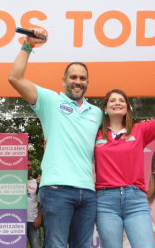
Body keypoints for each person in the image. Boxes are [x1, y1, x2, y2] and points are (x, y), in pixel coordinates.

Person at [8, 28, 102, 248]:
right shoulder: (50, 101)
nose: (78, 81)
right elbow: (15, 77)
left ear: (87, 82)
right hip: (57, 189)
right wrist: (28, 44)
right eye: (73, 77)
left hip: (88, 192)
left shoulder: (97, 113)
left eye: (82, 78)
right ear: (64, 81)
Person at [94, 73, 155, 248]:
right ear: (106, 108)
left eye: (122, 100)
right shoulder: (95, 133)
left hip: (135, 200)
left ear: (127, 108)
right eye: (113, 100)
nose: (117, 103)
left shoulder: (139, 130)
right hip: (105, 201)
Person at [27, 159, 43, 248]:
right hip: (17, 221)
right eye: (27, 165)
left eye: (31, 166)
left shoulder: (36, 183)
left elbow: (41, 201)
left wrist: (39, 218)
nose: (30, 167)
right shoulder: (15, 181)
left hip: (32, 221)